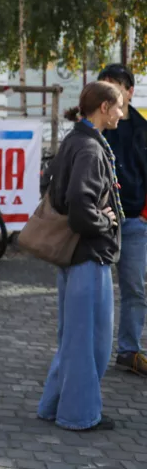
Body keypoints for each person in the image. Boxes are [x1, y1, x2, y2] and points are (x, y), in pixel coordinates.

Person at [37, 81, 125, 431]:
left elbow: (51, 188)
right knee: (92, 344)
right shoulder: (89, 148)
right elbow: (79, 211)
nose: (121, 113)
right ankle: (79, 415)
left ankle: (54, 406)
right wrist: (105, 219)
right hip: (89, 257)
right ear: (103, 108)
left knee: (74, 339)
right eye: (118, 106)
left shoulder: (74, 141)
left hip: (76, 258)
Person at [97, 64, 147, 376]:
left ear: (129, 91)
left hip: (134, 224)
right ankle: (93, 348)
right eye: (106, 84)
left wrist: (143, 216)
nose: (111, 90)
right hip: (100, 223)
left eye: (116, 85)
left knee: (135, 290)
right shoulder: (97, 126)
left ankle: (129, 350)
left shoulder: (143, 128)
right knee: (95, 290)